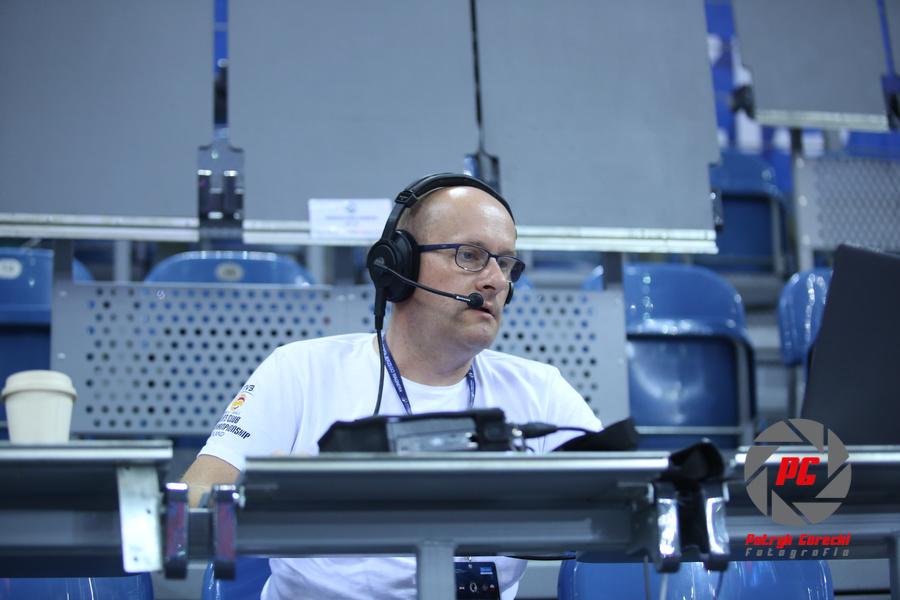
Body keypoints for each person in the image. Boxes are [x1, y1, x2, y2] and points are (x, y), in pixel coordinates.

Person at [181, 173, 602, 600]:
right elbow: (194, 502)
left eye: (506, 263)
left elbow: (617, 507)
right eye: (470, 256)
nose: (495, 280)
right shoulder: (300, 370)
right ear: (398, 266)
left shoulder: (540, 390)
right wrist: (261, 497)